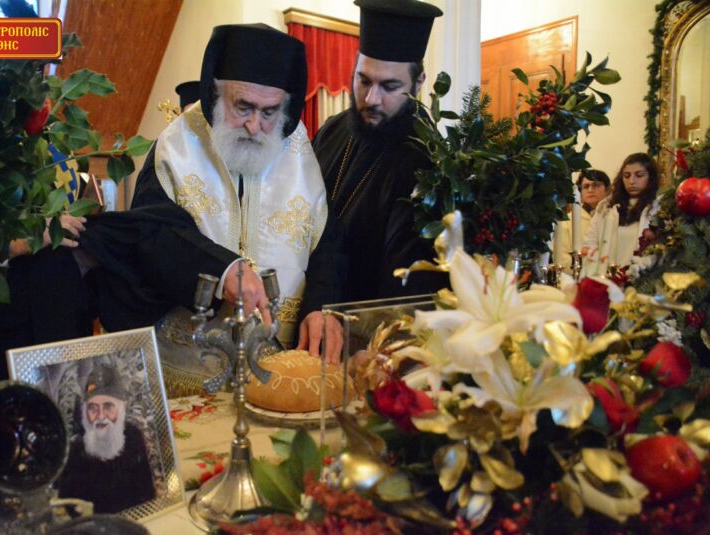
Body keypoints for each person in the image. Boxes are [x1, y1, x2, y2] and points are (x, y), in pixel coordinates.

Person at [132, 23, 344, 361]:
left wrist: (320, 307)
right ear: (216, 95)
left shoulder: (299, 153)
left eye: (269, 111)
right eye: (243, 107)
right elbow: (152, 235)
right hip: (189, 364)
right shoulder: (175, 148)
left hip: (277, 361)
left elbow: (326, 247)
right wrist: (223, 270)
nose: (254, 125)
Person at [312, 0, 446, 303]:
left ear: (418, 83)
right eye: (363, 80)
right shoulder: (333, 130)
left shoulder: (429, 164)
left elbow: (409, 289)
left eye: (389, 86)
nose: (371, 99)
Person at [57, 364, 156, 514]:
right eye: (93, 408)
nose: (101, 416)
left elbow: (148, 497)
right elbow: (71, 509)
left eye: (108, 406)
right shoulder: (76, 452)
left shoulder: (133, 438)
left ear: (122, 407)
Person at [582, 153, 660, 276]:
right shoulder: (606, 207)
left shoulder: (658, 208)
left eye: (639, 175)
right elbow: (590, 242)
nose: (632, 181)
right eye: (626, 176)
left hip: (641, 276)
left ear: (651, 177)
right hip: (606, 276)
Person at [554, 169, 610, 267]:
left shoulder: (614, 217)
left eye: (596, 185)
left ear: (607, 189)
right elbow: (561, 256)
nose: (590, 190)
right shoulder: (567, 221)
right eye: (586, 186)